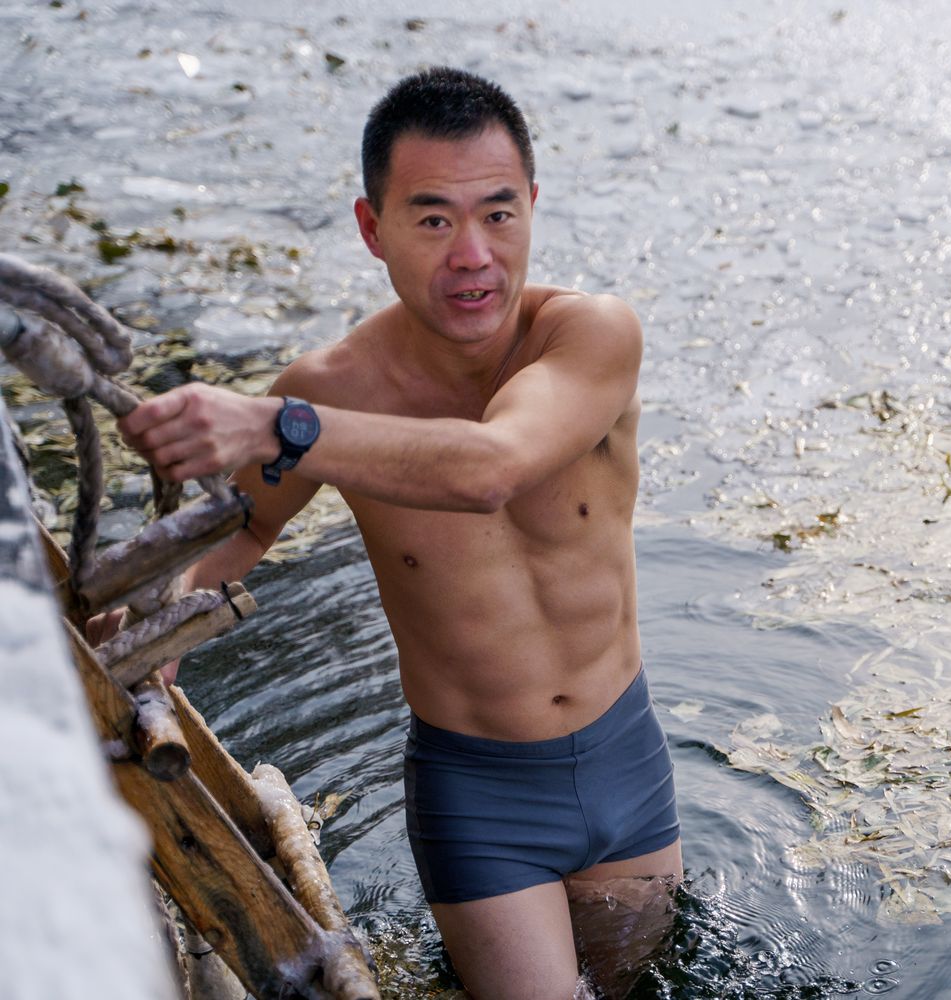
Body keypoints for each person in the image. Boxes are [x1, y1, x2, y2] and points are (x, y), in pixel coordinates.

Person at [113, 67, 681, 1000]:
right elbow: (240, 534)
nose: (472, 254)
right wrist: (149, 634)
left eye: (498, 214)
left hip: (627, 758)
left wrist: (276, 425)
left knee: (640, 991)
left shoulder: (592, 338)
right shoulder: (330, 391)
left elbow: (492, 465)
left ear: (533, 206)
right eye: (432, 219)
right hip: (480, 793)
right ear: (371, 228)